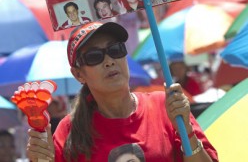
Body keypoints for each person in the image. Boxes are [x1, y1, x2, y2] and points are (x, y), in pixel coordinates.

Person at [26, 21, 218, 161]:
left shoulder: (165, 106)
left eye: (115, 49)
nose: (109, 61)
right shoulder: (69, 131)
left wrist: (186, 132)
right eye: (95, 56)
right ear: (78, 74)